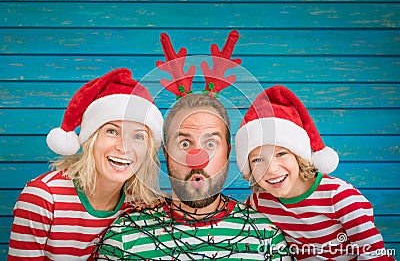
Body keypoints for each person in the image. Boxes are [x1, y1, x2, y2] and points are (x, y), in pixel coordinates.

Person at [94, 31, 293, 260]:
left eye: (211, 142)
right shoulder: (123, 238)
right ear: (165, 153)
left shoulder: (266, 238)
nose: (197, 157)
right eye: (185, 142)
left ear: (228, 152)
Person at [8, 68, 164, 260]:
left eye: (138, 136)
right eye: (112, 132)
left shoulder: (140, 204)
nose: (124, 148)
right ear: (90, 138)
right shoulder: (42, 199)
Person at [235, 85, 394, 260]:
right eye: (257, 160)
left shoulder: (341, 197)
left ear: (299, 156)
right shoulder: (259, 203)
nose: (271, 169)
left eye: (281, 154)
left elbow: (374, 255)